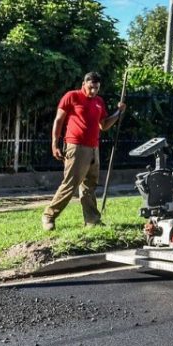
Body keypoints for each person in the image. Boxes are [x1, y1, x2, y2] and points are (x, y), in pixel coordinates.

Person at [42, 72, 125, 231]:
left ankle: (92, 220)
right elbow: (58, 120)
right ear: (83, 84)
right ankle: (49, 216)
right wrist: (54, 144)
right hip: (76, 147)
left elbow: (104, 125)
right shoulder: (72, 96)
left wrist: (118, 112)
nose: (93, 91)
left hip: (94, 148)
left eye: (97, 88)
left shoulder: (99, 102)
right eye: (91, 87)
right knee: (70, 184)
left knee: (89, 186)